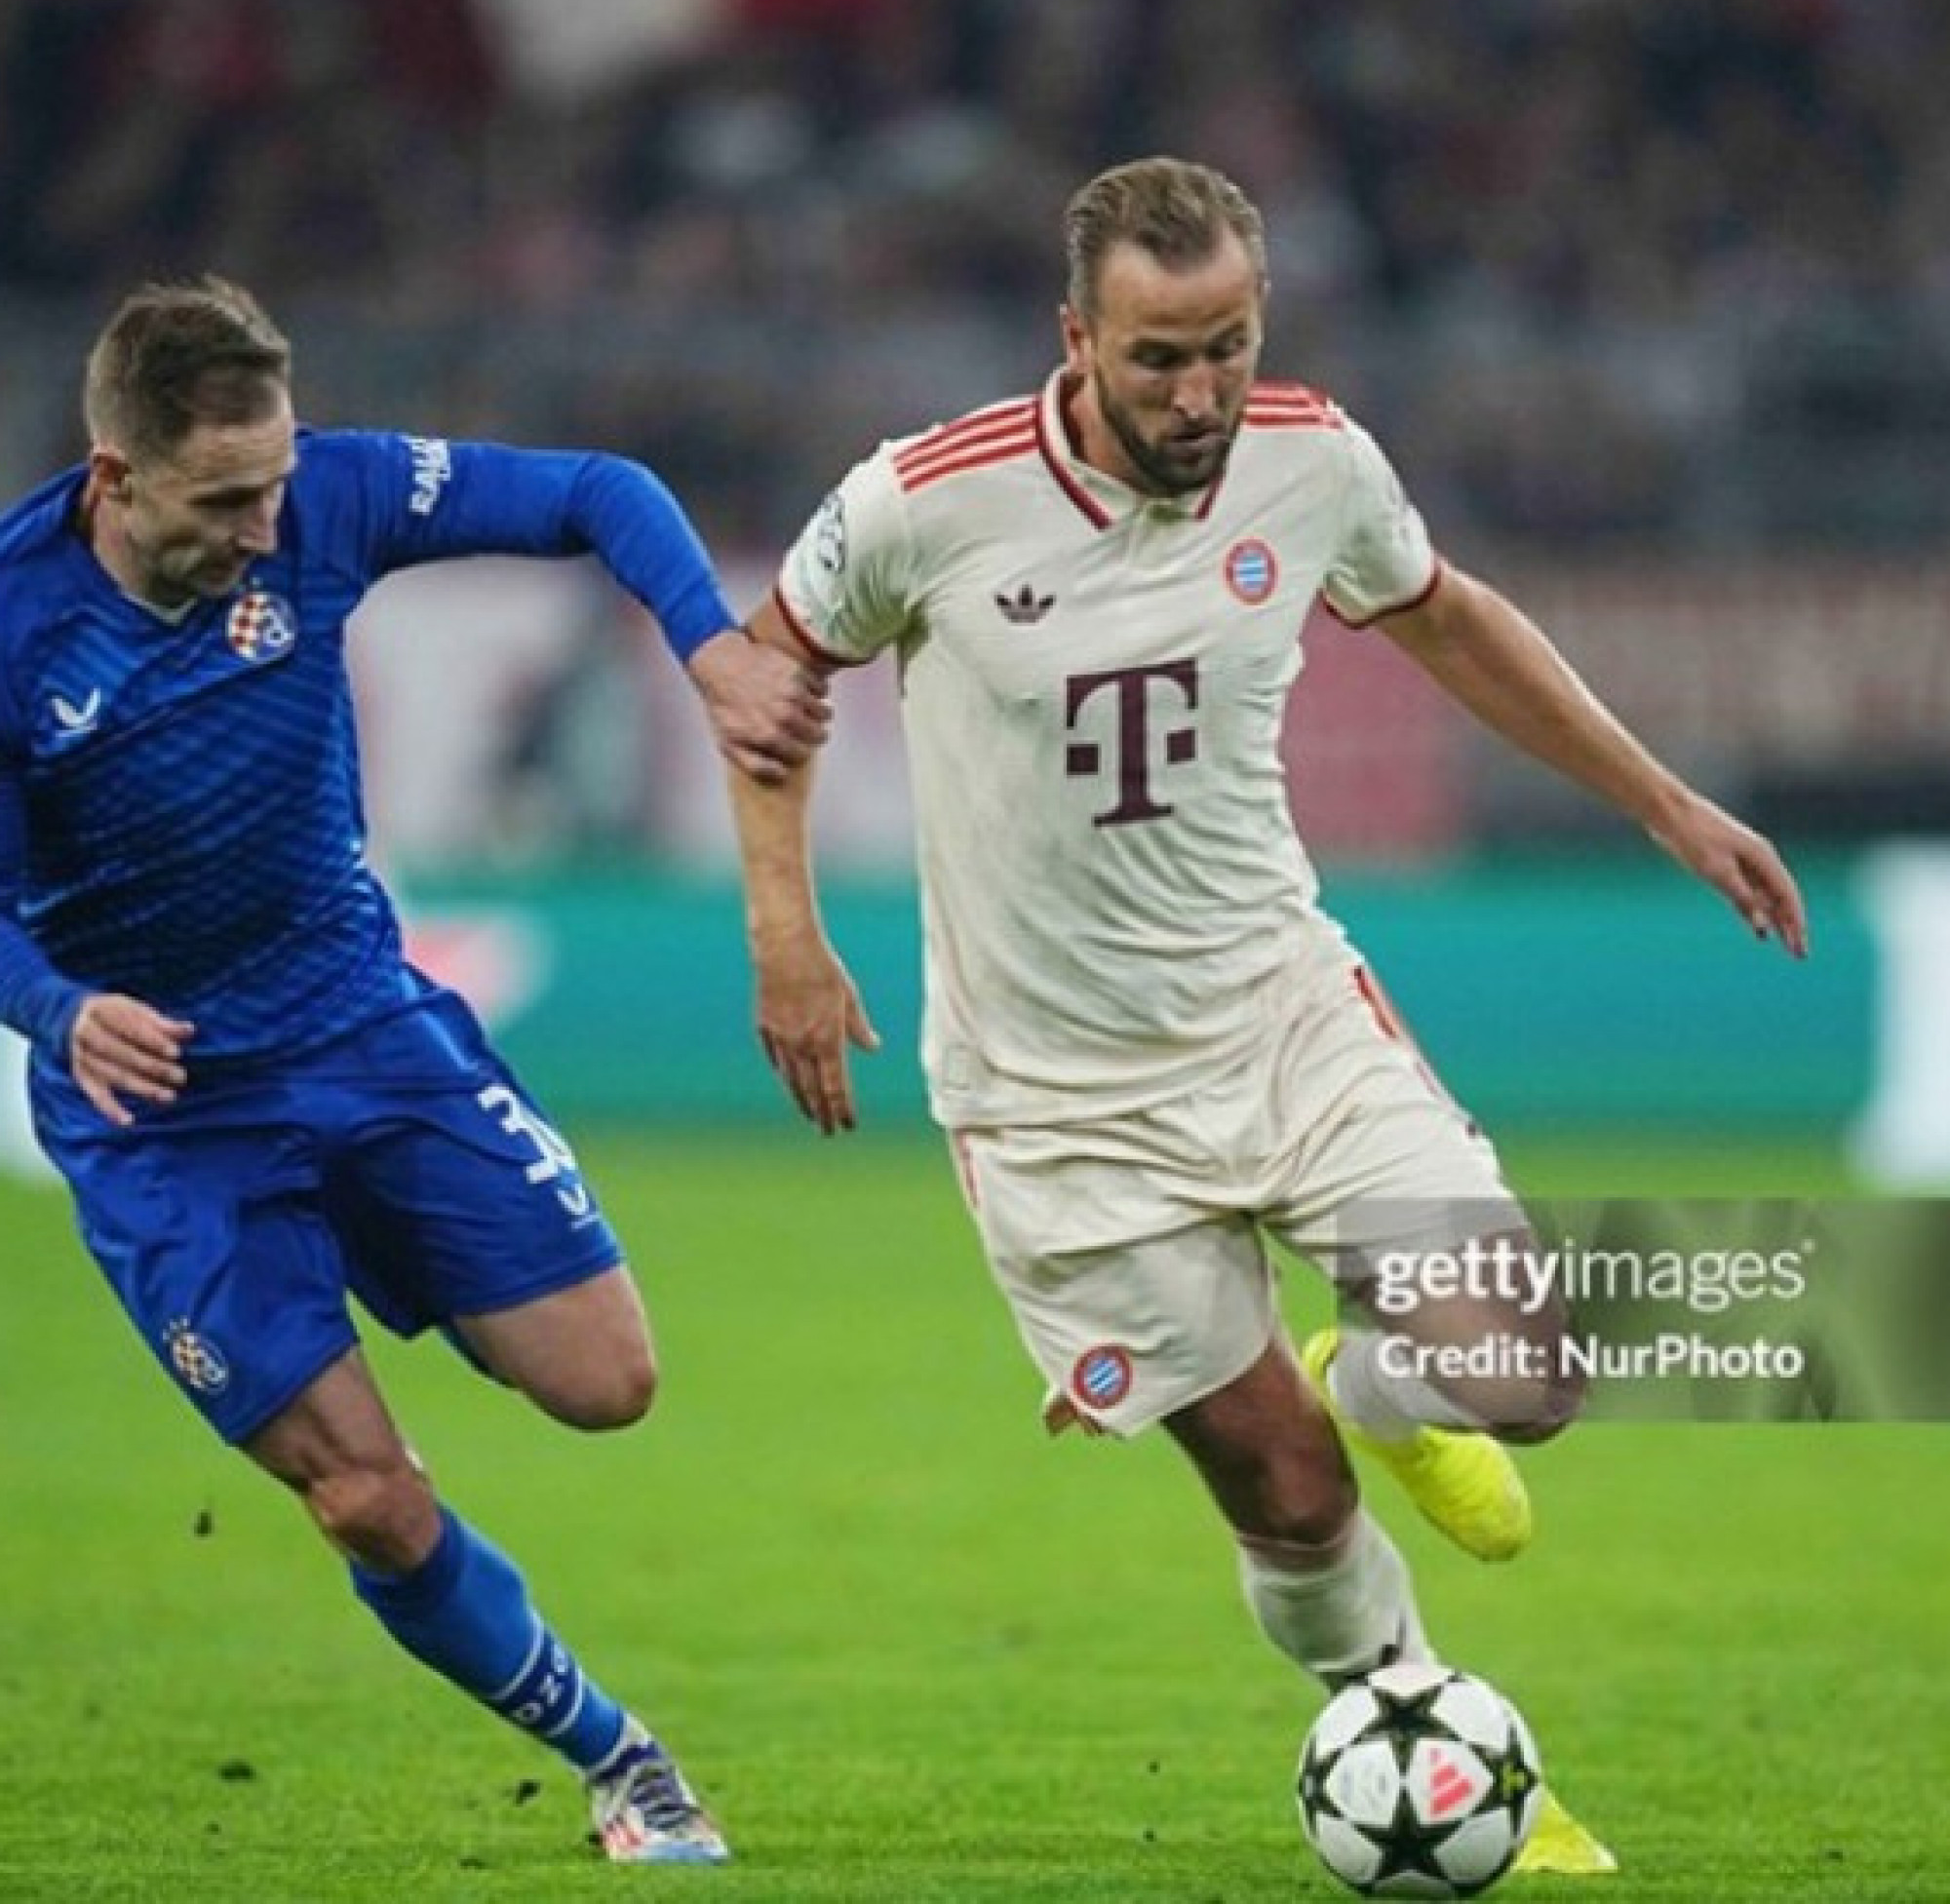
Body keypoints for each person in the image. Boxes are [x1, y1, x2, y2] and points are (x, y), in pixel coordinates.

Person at [725, 157, 1810, 1879]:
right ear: (1073, 337)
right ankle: (1442, 1764)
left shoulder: (1314, 459)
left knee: (1524, 1379)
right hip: (1056, 1104)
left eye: (1227, 345)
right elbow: (766, 681)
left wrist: (1665, 804)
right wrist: (784, 934)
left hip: (1280, 1017)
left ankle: (1375, 1383)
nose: (1200, 393)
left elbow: (1445, 616)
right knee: (1288, 1502)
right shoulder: (925, 501)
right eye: (1159, 357)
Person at [0, 276, 833, 1866]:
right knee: (368, 1499)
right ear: (115, 479)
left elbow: (598, 491)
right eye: (226, 498)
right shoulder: (14, 630)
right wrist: (53, 1008)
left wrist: (710, 649)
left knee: (608, 1382)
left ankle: (396, 1256)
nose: (268, 528)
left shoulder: (331, 494)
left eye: (279, 480)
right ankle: (619, 1757)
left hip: (363, 1030)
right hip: (164, 1121)